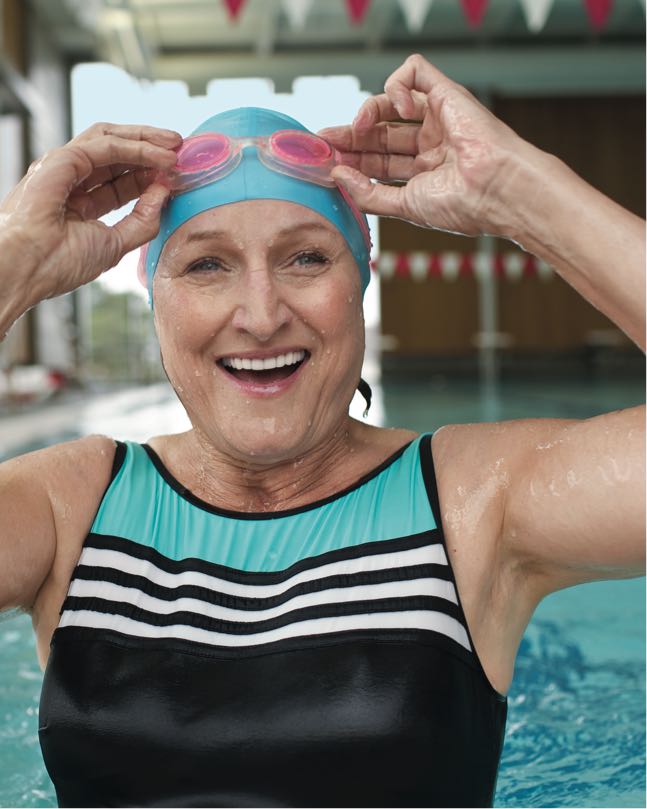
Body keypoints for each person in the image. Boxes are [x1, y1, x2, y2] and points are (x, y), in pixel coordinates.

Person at [0, 54, 643, 807]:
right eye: (207, 265)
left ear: (361, 279)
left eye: (305, 256)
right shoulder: (69, 506)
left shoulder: (473, 503)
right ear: (156, 298)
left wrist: (521, 194)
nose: (262, 312)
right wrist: (14, 262)